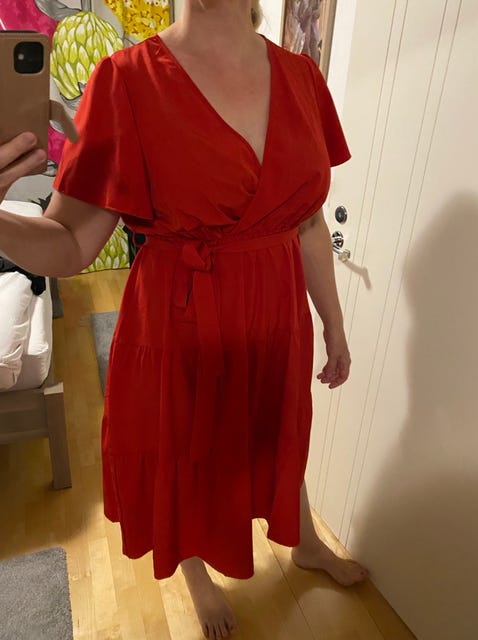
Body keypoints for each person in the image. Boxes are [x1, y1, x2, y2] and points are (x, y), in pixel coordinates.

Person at [0, 1, 370, 638]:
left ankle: (305, 542)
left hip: (276, 312)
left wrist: (332, 324)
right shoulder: (125, 81)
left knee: (276, 431)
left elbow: (308, 222)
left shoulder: (303, 78)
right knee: (186, 450)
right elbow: (69, 244)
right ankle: (196, 575)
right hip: (181, 318)